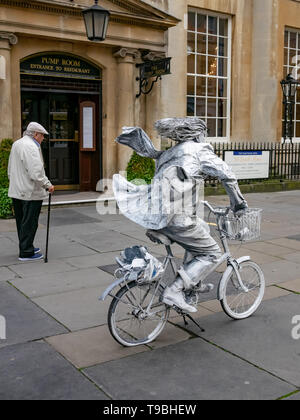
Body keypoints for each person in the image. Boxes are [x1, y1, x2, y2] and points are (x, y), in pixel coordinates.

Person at [113, 117, 248, 313]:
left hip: (159, 217)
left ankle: (192, 284)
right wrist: (239, 205)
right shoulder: (199, 150)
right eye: (204, 133)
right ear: (198, 134)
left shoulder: (169, 153)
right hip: (178, 220)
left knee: (201, 227)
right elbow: (227, 175)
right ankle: (175, 290)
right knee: (212, 253)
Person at [8, 122, 54, 261]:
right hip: (29, 192)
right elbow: (36, 172)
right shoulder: (31, 147)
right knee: (30, 222)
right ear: (35, 134)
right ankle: (26, 252)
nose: (43, 139)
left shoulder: (17, 143)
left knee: (22, 221)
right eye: (42, 136)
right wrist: (47, 185)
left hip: (18, 191)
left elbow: (10, 169)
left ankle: (26, 246)